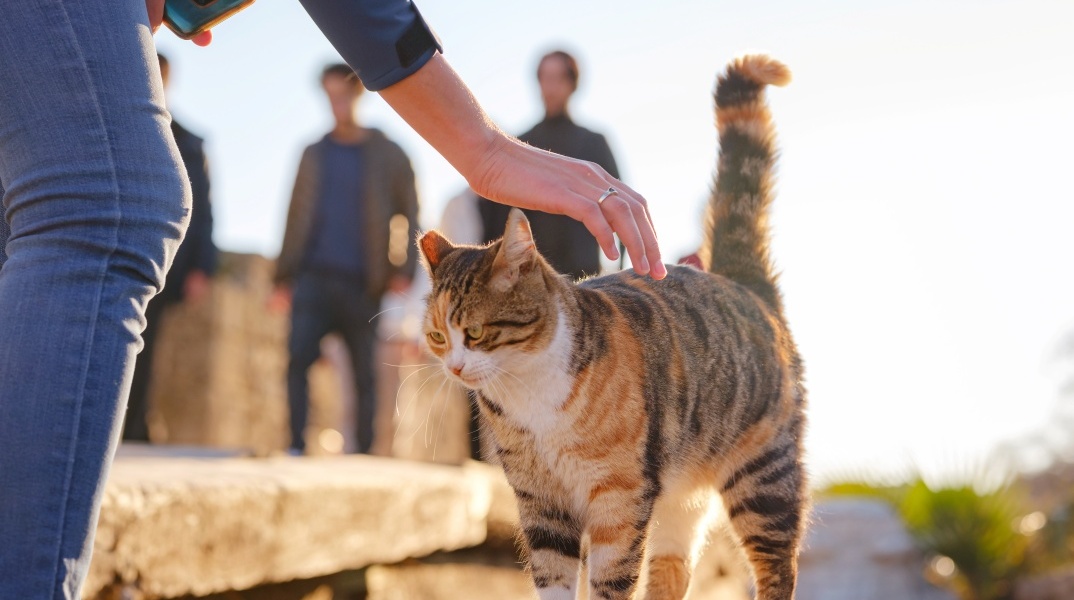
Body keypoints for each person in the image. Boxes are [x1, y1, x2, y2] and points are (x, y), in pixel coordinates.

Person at [0, 1, 663, 598]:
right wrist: (482, 147)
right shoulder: (317, 152)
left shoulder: (400, 152)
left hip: (472, 289)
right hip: (335, 275)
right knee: (113, 200)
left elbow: (403, 207)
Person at [272, 63, 419, 456]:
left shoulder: (389, 154)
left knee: (364, 374)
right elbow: (294, 216)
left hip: (363, 282)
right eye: (330, 95)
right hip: (312, 278)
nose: (337, 103)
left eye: (343, 94)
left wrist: (403, 269)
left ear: (358, 95)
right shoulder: (312, 153)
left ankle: (364, 453)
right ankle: (295, 445)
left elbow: (411, 211)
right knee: (297, 361)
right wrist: (282, 278)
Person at [123, 52, 218, 443]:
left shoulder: (191, 143)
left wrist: (203, 268)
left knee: (148, 343)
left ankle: (135, 424)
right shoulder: (119, 126)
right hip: (121, 249)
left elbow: (205, 210)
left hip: (167, 262)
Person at [479, 49, 621, 281]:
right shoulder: (520, 145)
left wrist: (620, 266)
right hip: (532, 279)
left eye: (558, 79)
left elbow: (617, 204)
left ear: (572, 83)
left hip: (585, 276)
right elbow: (498, 217)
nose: (550, 87)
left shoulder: (594, 143)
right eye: (545, 78)